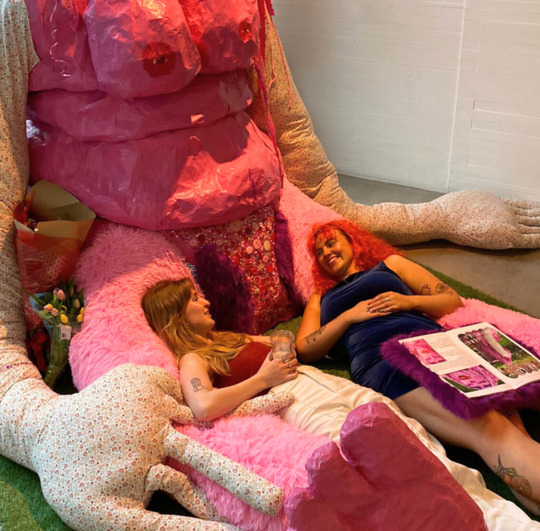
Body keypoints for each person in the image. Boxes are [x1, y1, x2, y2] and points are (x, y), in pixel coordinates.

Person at [141, 277, 540, 527]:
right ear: (176, 314)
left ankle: (507, 521)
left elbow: (282, 347)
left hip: (327, 386)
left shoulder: (226, 338)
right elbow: (203, 407)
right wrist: (263, 378)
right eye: (194, 299)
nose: (205, 301)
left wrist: (280, 350)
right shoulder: (193, 358)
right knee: (394, 463)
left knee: (422, 447)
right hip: (300, 403)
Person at [297, 218, 540, 515]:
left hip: (441, 349)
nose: (326, 252)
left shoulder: (390, 265)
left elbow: (450, 299)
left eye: (331, 242)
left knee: (513, 427)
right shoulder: (322, 296)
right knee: (489, 427)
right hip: (385, 360)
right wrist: (349, 316)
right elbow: (305, 347)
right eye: (319, 251)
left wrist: (407, 302)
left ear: (352, 241)